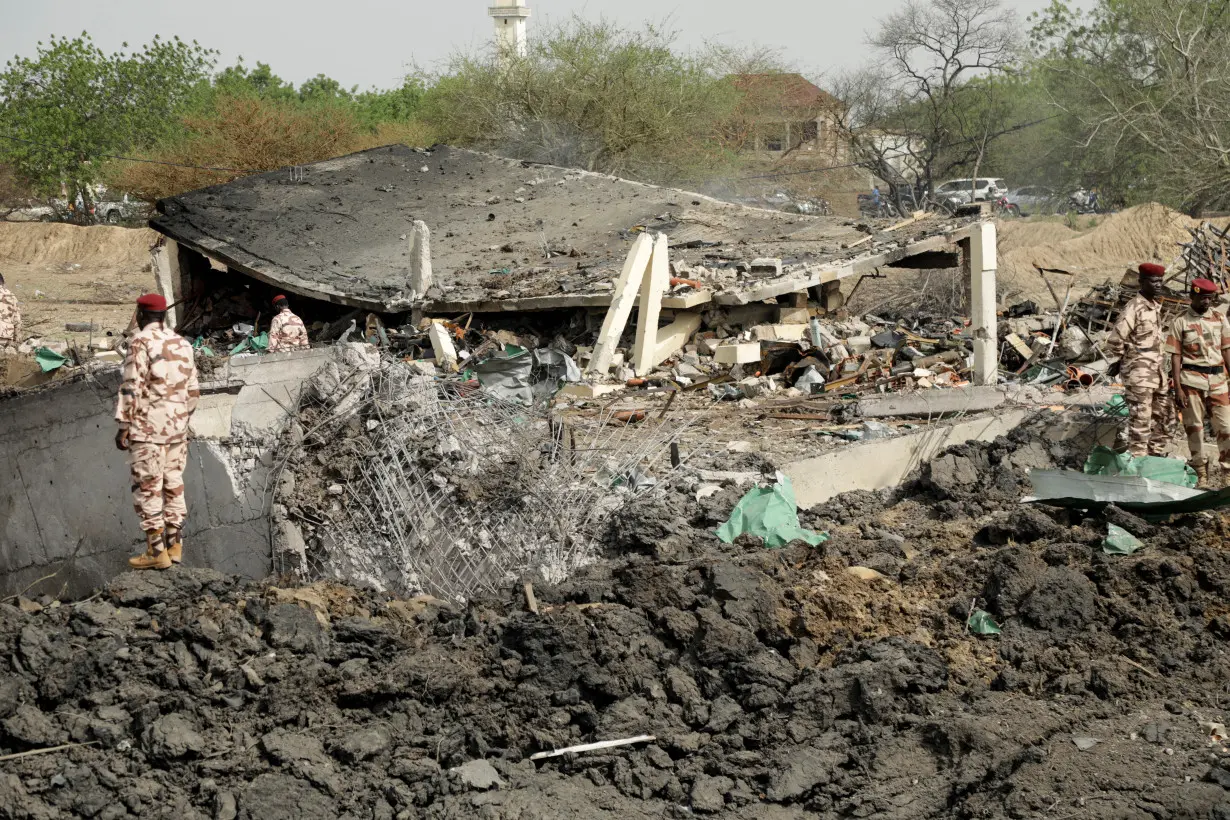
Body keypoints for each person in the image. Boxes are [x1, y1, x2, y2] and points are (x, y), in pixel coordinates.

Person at [115, 294, 200, 570]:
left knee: (148, 487)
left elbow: (132, 385)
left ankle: (155, 551)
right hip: (177, 429)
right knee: (173, 483)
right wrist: (181, 419)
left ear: (141, 314)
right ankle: (175, 545)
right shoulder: (183, 343)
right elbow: (194, 391)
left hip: (148, 429)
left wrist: (124, 424)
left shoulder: (140, 341)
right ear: (163, 315)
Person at [1167, 278, 1230, 487]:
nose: (1206, 302)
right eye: (1202, 298)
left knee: (1226, 427)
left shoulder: (1220, 318)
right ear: (1192, 296)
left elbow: (1226, 350)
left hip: (1218, 380)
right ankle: (1201, 474)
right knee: (1194, 429)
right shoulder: (1180, 321)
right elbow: (1175, 356)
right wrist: (1177, 388)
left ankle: (1227, 473)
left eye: (1210, 298)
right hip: (1191, 382)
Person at [1107, 263, 1173, 457]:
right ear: (1142, 282)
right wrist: (1126, 360)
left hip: (1157, 375)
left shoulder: (1154, 306)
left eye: (1160, 281)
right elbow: (1115, 339)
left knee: (1165, 418)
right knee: (1140, 423)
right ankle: (1138, 465)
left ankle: (1154, 459)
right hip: (1139, 375)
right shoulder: (1134, 307)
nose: (1158, 285)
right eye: (1154, 281)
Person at [0, 272, 22, 354]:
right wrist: (17, 342)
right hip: (7, 338)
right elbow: (17, 320)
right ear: (2, 282)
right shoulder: (11, 296)